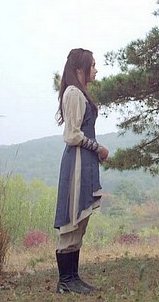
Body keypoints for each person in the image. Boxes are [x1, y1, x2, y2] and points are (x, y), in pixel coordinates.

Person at [53, 48, 109, 294]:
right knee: (73, 218)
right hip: (76, 163)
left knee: (80, 220)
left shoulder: (78, 93)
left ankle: (73, 277)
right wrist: (98, 148)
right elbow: (72, 135)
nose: (95, 70)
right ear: (79, 69)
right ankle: (66, 280)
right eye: (92, 65)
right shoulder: (74, 93)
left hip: (83, 162)